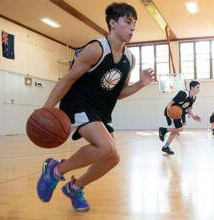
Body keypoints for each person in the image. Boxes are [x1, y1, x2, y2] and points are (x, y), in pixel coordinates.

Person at [36, 3, 156, 211]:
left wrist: (140, 84)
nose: (132, 28)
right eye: (127, 22)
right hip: (78, 103)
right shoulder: (95, 50)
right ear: (112, 23)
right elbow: (67, 80)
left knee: (112, 158)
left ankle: (75, 187)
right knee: (106, 146)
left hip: (101, 111)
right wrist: (46, 110)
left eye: (134, 24)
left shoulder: (129, 59)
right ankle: (55, 171)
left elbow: (119, 93)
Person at [158, 81, 201, 155]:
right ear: (192, 88)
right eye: (197, 87)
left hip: (177, 113)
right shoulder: (183, 94)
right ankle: (163, 130)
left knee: (175, 130)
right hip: (171, 111)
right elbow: (170, 103)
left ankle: (165, 146)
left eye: (199, 87)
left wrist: (193, 116)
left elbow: (189, 107)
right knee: (180, 129)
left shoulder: (193, 98)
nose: (199, 89)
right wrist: (169, 112)